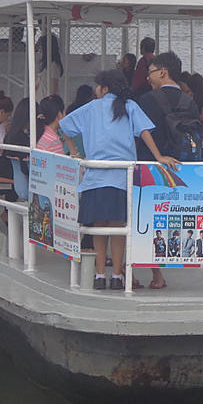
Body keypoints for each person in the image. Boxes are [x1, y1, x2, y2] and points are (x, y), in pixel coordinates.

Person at [58, 69, 178, 291]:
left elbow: (64, 126)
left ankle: (99, 273)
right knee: (118, 227)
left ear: (104, 88)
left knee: (98, 227)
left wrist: (74, 152)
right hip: (122, 176)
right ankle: (117, 276)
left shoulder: (92, 108)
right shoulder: (130, 106)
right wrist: (159, 156)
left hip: (95, 176)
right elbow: (145, 132)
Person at [136, 51, 202, 163]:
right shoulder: (191, 103)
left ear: (162, 72)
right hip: (183, 166)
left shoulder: (147, 100)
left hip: (152, 165)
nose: (148, 78)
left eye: (150, 73)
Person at [35, 32, 63, 100]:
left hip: (46, 97)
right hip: (40, 96)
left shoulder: (53, 65)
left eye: (42, 46)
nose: (40, 48)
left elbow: (55, 83)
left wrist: (51, 98)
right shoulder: (44, 64)